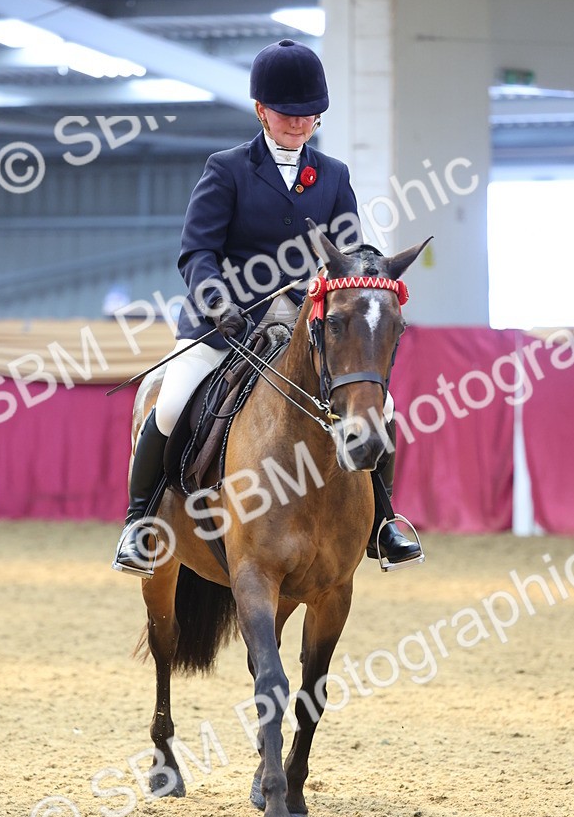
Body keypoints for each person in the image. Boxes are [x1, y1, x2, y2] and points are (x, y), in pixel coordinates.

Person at [112, 38, 422, 576]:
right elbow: (197, 251)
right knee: (172, 400)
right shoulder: (227, 169)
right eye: (287, 114)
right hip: (225, 328)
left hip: (303, 329)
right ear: (261, 111)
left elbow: (346, 259)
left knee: (381, 410)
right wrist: (217, 302)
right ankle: (142, 523)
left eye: (309, 116)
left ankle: (384, 521)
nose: (299, 125)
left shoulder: (333, 176)